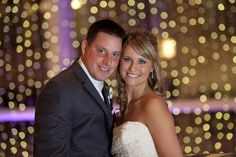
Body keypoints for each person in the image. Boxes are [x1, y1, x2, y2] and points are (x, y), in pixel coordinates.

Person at [34, 19, 125, 157]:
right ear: (85, 47)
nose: (109, 61)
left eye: (115, 54)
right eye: (101, 51)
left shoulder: (101, 85)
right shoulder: (59, 90)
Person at [111, 29, 183, 157]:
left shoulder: (153, 105)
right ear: (119, 62)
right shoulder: (124, 107)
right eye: (127, 59)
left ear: (152, 68)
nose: (133, 68)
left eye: (142, 61)